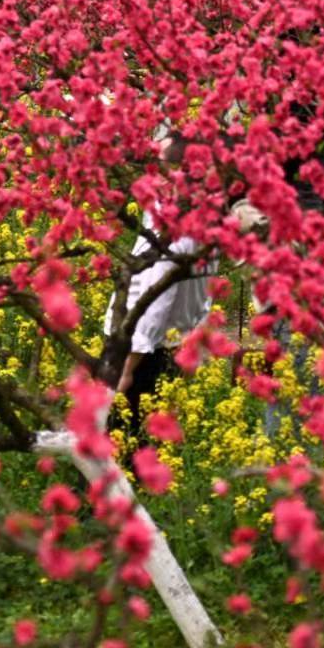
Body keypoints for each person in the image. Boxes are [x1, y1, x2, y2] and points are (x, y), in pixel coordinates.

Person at [102, 134, 213, 429]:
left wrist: (127, 368)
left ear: (175, 173)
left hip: (143, 355)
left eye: (157, 163)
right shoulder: (199, 218)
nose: (147, 171)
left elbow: (155, 303)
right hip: (167, 348)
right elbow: (204, 296)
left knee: (121, 444)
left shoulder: (175, 231)